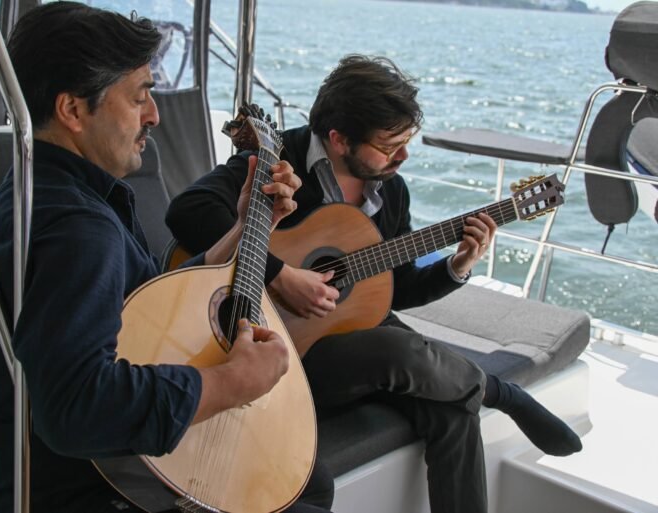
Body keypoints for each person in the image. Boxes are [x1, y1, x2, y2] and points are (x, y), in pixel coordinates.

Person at [165, 54, 583, 513]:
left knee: (452, 408)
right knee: (398, 350)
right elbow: (188, 211)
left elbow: (393, 288)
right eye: (389, 145)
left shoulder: (391, 189)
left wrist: (457, 267)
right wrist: (281, 277)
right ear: (339, 139)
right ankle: (501, 392)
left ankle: (476, 397)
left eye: (407, 142)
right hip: (279, 351)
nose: (402, 157)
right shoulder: (274, 160)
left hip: (347, 344)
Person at [0, 3, 334, 513]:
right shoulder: (80, 228)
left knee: (310, 482)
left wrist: (247, 227)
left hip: (79, 476)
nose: (155, 114)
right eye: (140, 95)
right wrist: (233, 383)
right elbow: (77, 408)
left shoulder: (44, 188)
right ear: (73, 111)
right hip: (100, 492)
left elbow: (142, 310)